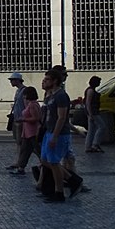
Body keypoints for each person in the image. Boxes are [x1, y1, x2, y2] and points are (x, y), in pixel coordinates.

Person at [38, 68, 73, 202]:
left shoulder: (61, 96)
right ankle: (71, 179)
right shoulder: (51, 95)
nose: (45, 81)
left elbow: (61, 117)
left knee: (54, 162)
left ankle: (59, 192)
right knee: (45, 160)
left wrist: (55, 136)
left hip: (57, 133)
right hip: (49, 130)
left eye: (47, 80)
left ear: (55, 81)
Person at [12, 86, 41, 174]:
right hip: (27, 131)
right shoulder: (30, 104)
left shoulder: (32, 105)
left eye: (24, 95)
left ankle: (45, 165)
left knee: (37, 149)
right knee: (25, 150)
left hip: (32, 132)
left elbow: (35, 118)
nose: (23, 97)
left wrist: (23, 119)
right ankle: (21, 167)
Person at [84, 76, 105, 153]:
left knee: (91, 130)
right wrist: (90, 114)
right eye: (99, 82)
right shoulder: (91, 91)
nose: (99, 83)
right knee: (102, 126)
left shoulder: (90, 90)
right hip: (93, 112)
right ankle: (95, 144)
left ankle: (88, 146)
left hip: (92, 112)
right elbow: (88, 103)